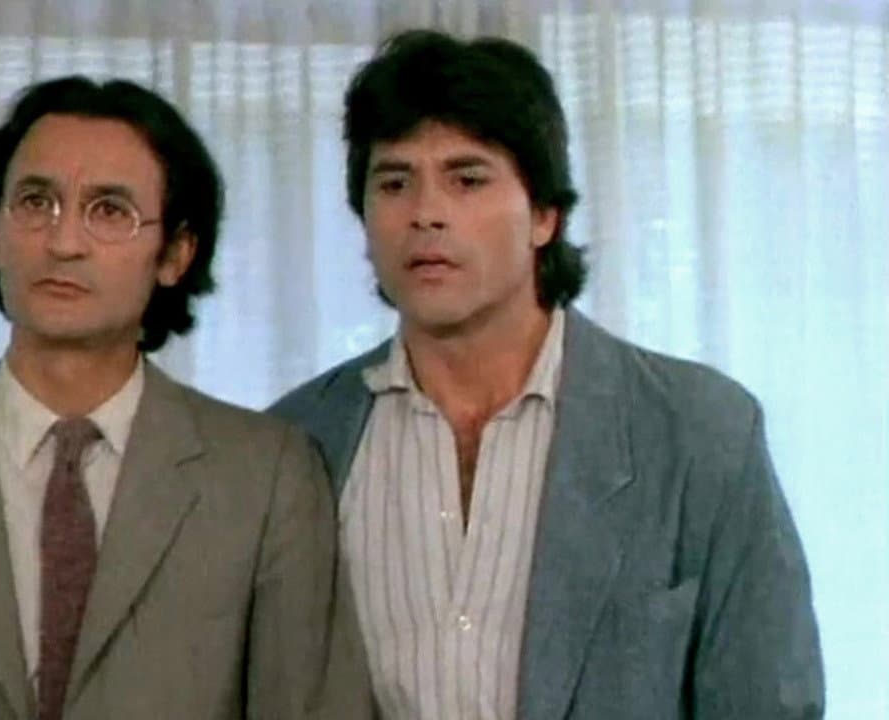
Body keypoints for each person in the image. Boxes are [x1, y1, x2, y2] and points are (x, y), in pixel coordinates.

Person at [271, 29, 823, 719]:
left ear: (544, 215)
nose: (426, 213)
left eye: (467, 179)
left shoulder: (700, 433)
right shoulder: (297, 443)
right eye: (394, 183)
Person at [0, 75, 371, 720]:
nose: (63, 242)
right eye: (36, 202)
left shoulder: (266, 477)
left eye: (109, 211)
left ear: (175, 253)